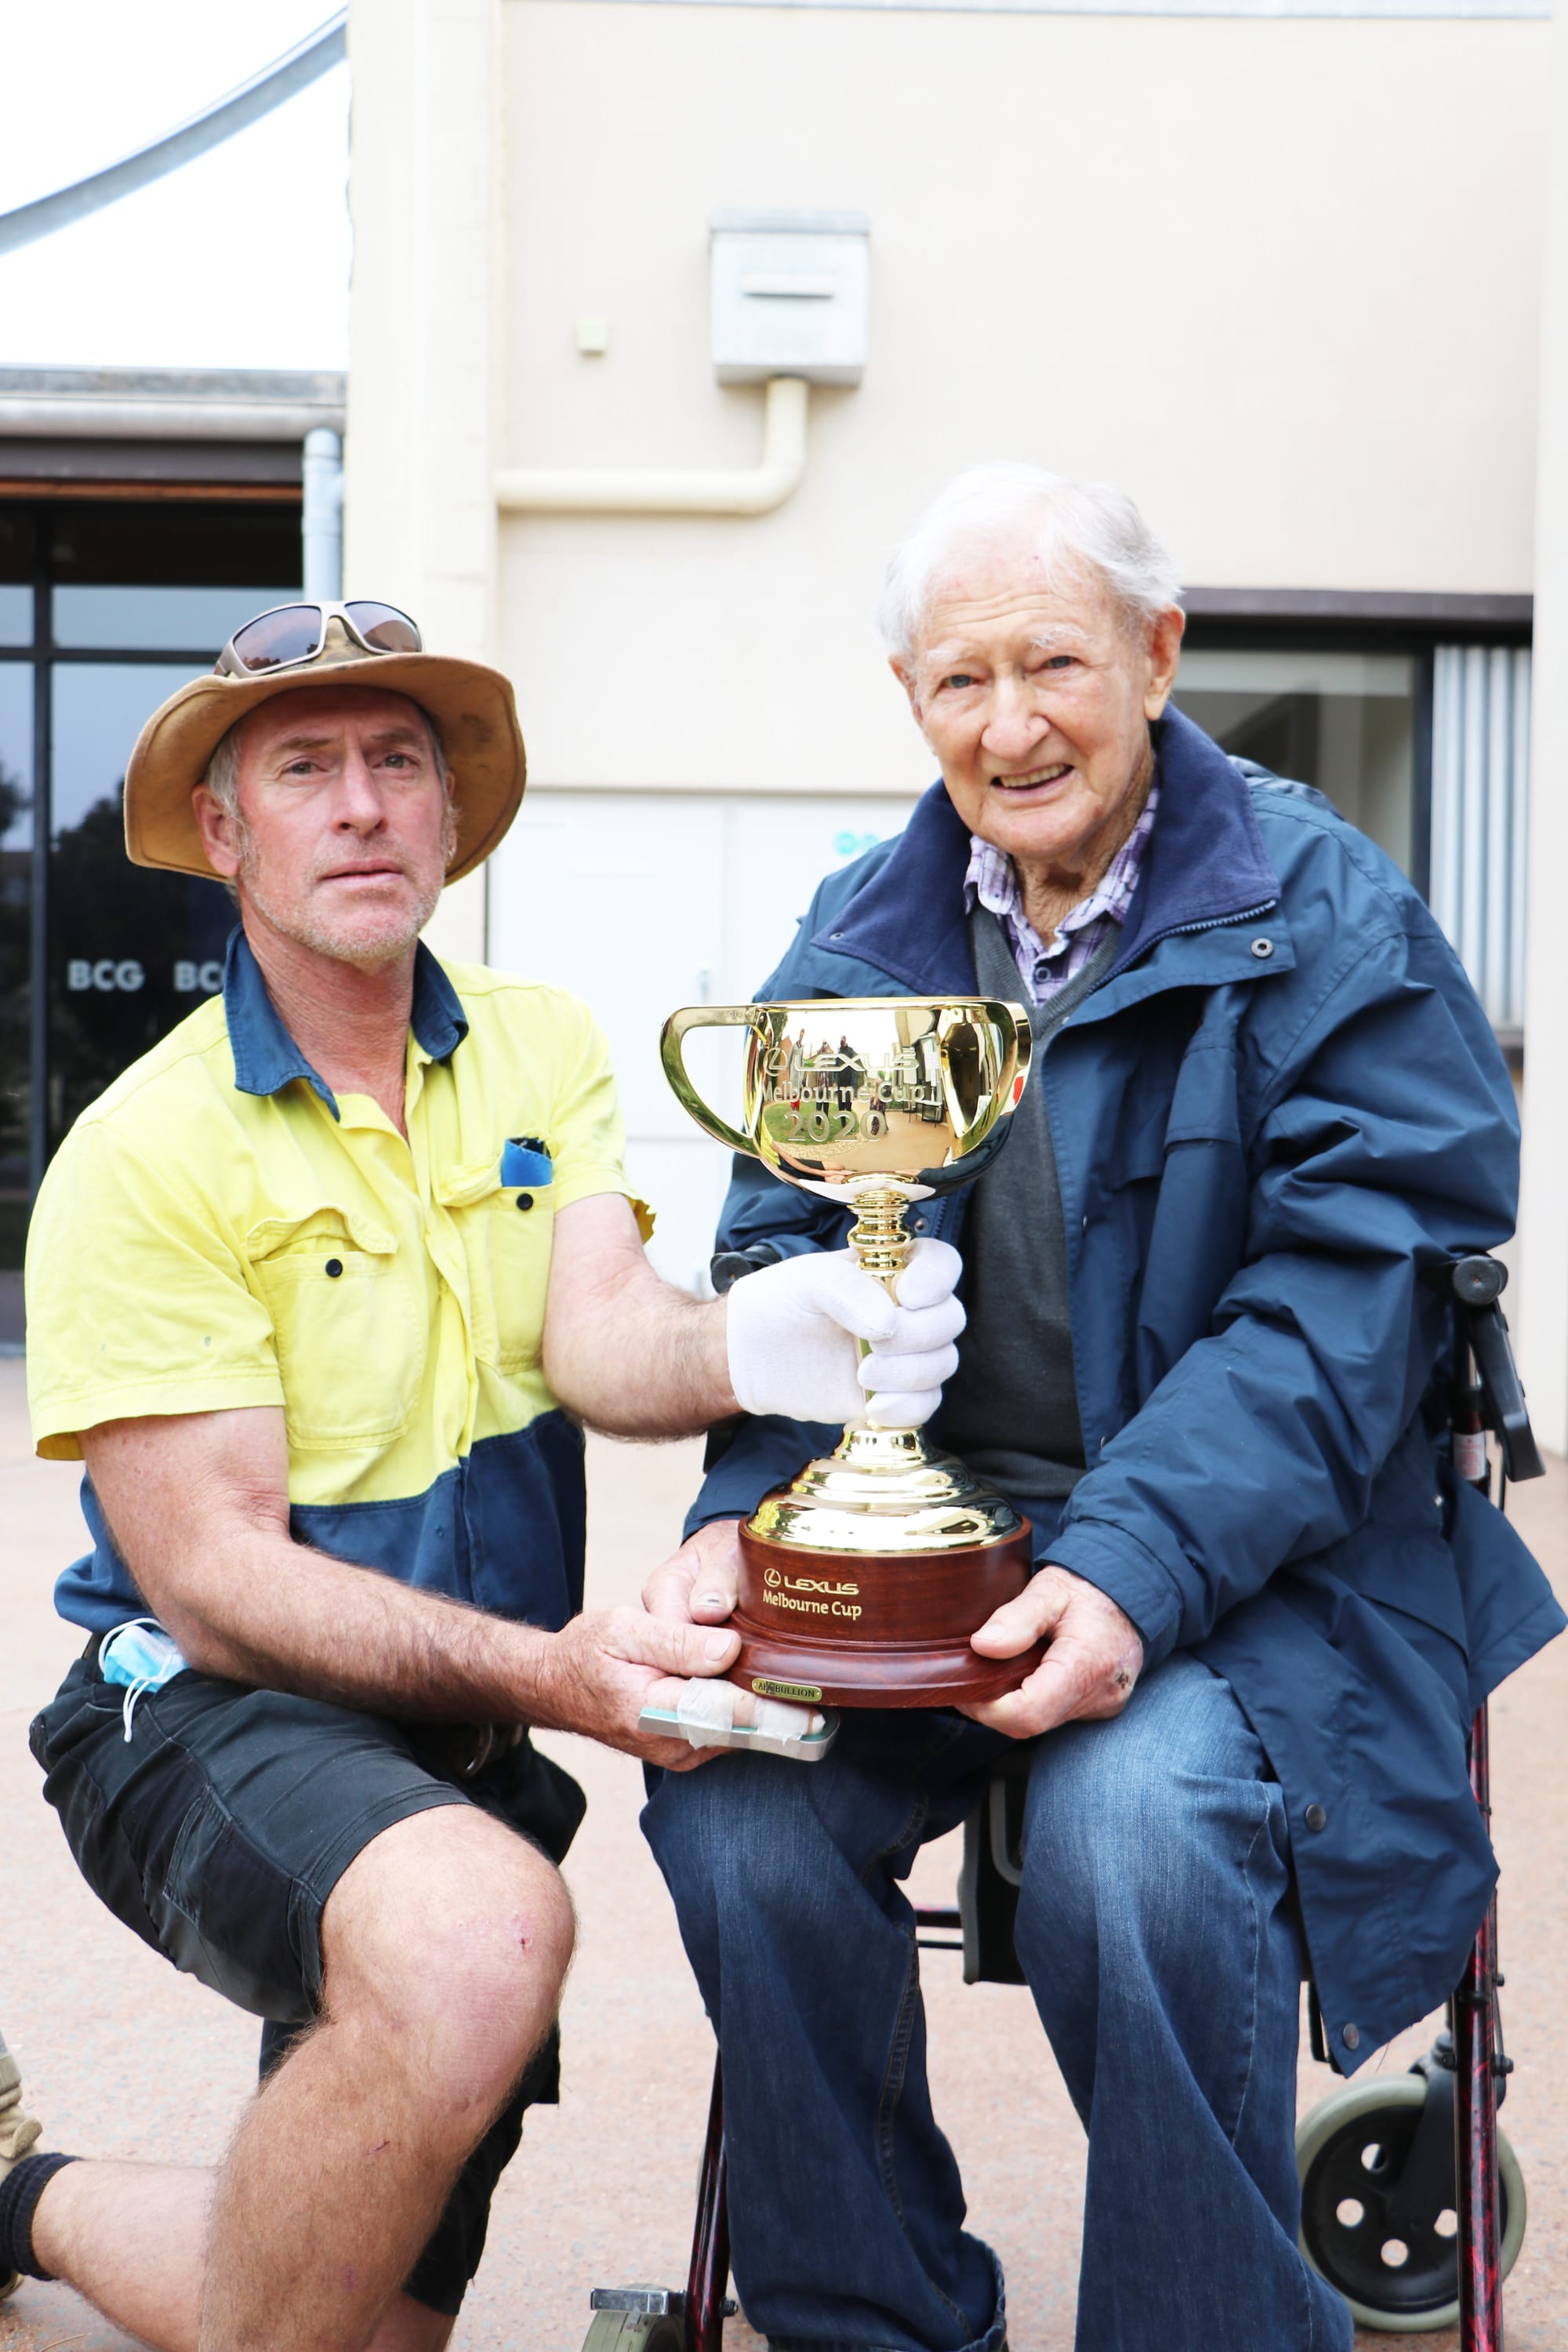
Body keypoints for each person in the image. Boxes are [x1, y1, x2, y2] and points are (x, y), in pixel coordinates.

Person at [640, 467, 1566, 2352]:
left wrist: (1131, 1565)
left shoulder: (1322, 913)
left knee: (1132, 1829)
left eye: (1052, 660)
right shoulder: (859, 939)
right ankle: (873, 2322)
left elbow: (1346, 1308)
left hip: (1259, 1569)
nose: (1010, 723)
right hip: (929, 1551)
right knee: (730, 1811)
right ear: (907, 700)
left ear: (1156, 654)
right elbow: (786, 1280)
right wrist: (742, 1515)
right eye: (958, 678)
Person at [2, 601, 967, 2350]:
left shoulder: (534, 1042)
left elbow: (600, 1334)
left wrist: (759, 1336)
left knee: (348, 2326)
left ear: (451, 821)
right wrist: (559, 1680)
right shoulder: (143, 1150)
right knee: (483, 1942)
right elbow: (212, 1579)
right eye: (305, 769)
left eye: (398, 765)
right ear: (225, 834)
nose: (362, 805)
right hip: (190, 1707)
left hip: (445, 1742)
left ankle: (18, 2202)